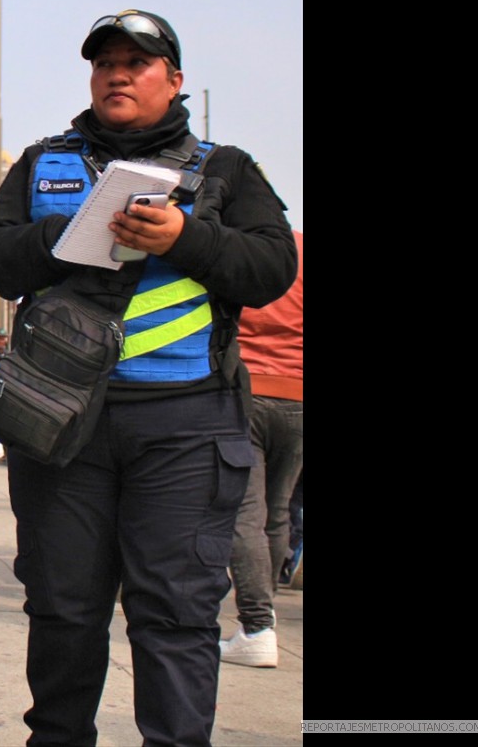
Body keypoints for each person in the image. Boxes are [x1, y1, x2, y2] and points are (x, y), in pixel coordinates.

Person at [0, 9, 297, 745]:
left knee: (176, 613)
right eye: (105, 62)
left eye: (138, 63)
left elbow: (273, 269)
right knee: (63, 608)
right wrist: (70, 231)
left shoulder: (226, 169)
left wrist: (188, 238)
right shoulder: (42, 162)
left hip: (185, 426)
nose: (118, 73)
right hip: (60, 427)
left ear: (173, 81)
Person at [221, 229, 304, 668]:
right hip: (299, 396)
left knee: (244, 513)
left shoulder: (238, 246)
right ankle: (263, 620)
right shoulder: (298, 248)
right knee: (278, 511)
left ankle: (257, 626)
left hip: (247, 387)